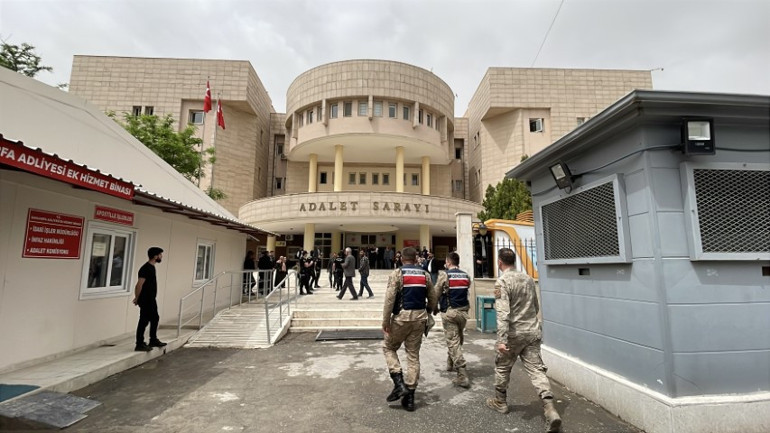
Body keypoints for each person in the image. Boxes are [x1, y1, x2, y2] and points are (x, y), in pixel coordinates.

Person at [486, 248, 561, 432]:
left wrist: (501, 340)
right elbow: (535, 306)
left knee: (503, 367)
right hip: (532, 331)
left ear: (499, 262)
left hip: (513, 334)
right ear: (514, 261)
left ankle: (500, 401)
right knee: (536, 369)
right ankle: (550, 409)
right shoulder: (528, 278)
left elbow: (503, 314)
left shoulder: (502, 282)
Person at [381, 247, 437, 411]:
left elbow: (390, 299)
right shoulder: (425, 274)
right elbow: (433, 298)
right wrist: (428, 311)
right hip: (419, 319)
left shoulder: (397, 274)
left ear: (401, 258)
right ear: (415, 259)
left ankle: (399, 383)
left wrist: (385, 321)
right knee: (413, 356)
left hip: (401, 319)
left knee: (388, 347)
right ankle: (410, 397)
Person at [433, 252, 471, 388]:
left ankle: (462, 374)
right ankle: (450, 363)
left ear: (448, 262)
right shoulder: (466, 275)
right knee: (457, 339)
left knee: (453, 341)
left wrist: (433, 307)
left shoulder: (445, 275)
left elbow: (436, 292)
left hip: (450, 312)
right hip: (464, 312)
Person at [133, 247, 167, 352]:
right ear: (155, 256)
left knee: (155, 318)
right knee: (144, 320)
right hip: (146, 299)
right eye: (160, 255)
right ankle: (139, 343)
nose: (161, 256)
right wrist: (137, 298)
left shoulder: (152, 267)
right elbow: (139, 285)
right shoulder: (146, 268)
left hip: (151, 298)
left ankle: (153, 339)